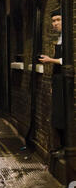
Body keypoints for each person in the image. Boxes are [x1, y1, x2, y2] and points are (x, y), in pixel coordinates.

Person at [39, 9, 64, 154]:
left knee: (61, 115)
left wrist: (50, 60)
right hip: (58, 81)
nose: (55, 23)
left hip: (63, 82)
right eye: (53, 20)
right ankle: (60, 146)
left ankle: (64, 147)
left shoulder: (68, 38)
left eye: (58, 20)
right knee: (57, 114)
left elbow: (66, 61)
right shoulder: (60, 37)